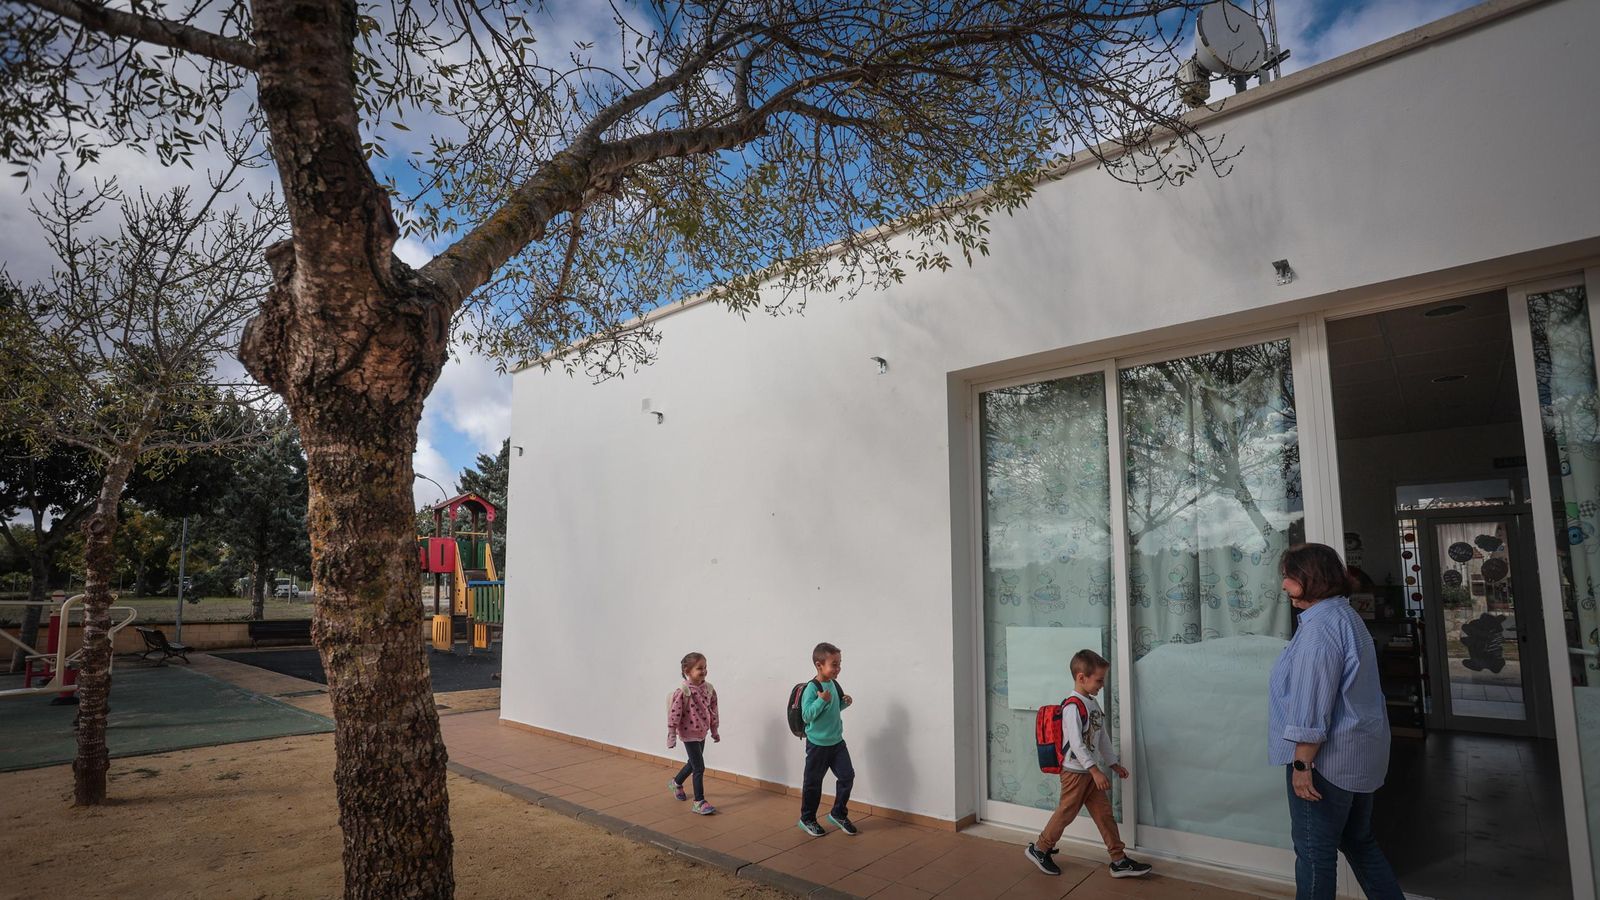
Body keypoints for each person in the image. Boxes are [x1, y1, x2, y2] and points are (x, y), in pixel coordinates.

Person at [1269, 543, 1403, 900]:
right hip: (1358, 753)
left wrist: (1301, 763)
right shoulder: (1344, 615)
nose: (1283, 585)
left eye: (1289, 576)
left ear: (1309, 578)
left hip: (1328, 761)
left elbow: (1313, 704)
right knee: (1358, 840)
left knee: (1314, 853)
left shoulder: (1321, 628)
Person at [1024, 649, 1152, 879]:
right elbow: (1076, 744)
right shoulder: (1073, 707)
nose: (1102, 685)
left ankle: (1119, 860)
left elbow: (1100, 737)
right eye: (1099, 680)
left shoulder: (1092, 704)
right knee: (1067, 812)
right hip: (1075, 772)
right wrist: (1095, 771)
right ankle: (1040, 849)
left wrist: (1112, 764)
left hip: (1089, 773)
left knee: (1104, 814)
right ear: (1081, 677)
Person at [797, 641, 857, 836]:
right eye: (834, 664)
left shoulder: (833, 684)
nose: (838, 668)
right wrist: (820, 700)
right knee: (813, 784)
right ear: (819, 665)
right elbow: (807, 715)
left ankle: (838, 813)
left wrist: (843, 704)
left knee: (847, 776)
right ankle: (807, 819)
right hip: (817, 745)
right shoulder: (811, 688)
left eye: (839, 664)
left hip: (837, 742)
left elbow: (832, 710)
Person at [667, 651, 720, 815]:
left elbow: (713, 711)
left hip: (701, 732)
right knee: (699, 767)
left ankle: (676, 782)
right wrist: (671, 735)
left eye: (705, 667)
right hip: (688, 733)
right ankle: (699, 801)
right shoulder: (683, 691)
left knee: (693, 763)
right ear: (687, 671)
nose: (703, 671)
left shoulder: (709, 689)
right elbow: (674, 714)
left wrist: (714, 730)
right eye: (699, 668)